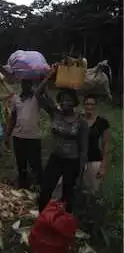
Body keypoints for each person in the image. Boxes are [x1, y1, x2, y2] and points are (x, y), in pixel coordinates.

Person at [35, 67, 89, 213]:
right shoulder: (55, 113)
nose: (66, 103)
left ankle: (63, 224)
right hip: (56, 158)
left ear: (74, 103)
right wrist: (50, 76)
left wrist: (81, 171)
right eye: (63, 100)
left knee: (68, 194)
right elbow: (38, 94)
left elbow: (84, 148)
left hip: (72, 161)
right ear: (59, 101)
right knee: (45, 190)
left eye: (69, 100)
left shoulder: (81, 122)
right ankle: (43, 219)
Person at [5, 79, 44, 190]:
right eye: (24, 83)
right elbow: (13, 119)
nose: (26, 86)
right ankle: (23, 188)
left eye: (28, 83)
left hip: (33, 138)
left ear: (31, 85)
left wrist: (47, 76)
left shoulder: (36, 98)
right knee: (21, 165)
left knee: (36, 165)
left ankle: (40, 189)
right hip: (18, 137)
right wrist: (7, 136)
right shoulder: (16, 98)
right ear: (21, 85)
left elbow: (42, 88)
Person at [83, 94, 110, 194]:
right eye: (87, 104)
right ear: (83, 105)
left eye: (92, 104)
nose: (89, 106)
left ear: (95, 106)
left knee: (94, 191)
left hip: (94, 160)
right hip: (79, 161)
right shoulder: (79, 120)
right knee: (81, 192)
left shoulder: (102, 122)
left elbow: (106, 144)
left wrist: (103, 166)